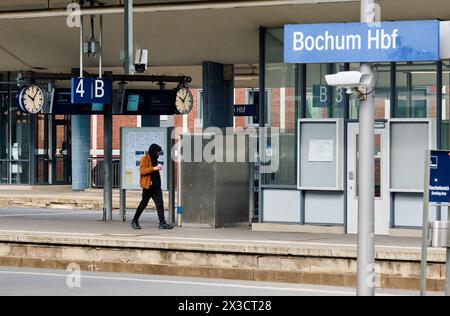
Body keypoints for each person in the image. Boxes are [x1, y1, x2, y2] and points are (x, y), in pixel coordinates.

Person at [131, 144, 173, 230]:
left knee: (160, 204)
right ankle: (134, 221)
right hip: (148, 186)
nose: (158, 154)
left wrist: (156, 169)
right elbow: (142, 171)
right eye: (158, 152)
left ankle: (162, 223)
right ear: (153, 151)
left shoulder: (155, 159)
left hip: (156, 187)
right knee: (143, 204)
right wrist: (154, 168)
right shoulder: (144, 159)